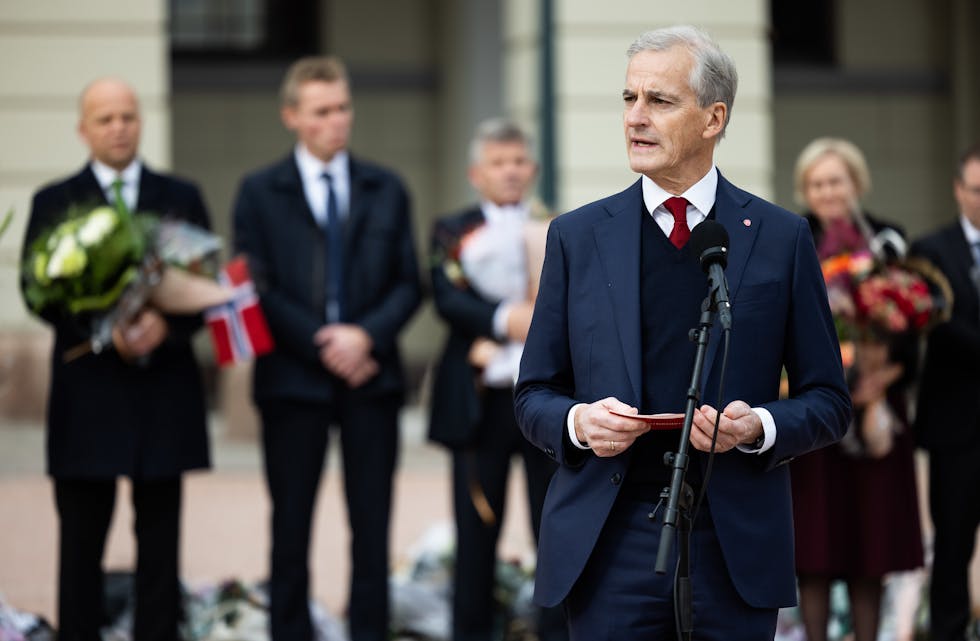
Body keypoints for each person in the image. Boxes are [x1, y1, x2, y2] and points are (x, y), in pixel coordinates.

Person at [513, 25, 851, 640]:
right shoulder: (576, 237)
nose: (635, 118)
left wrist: (758, 428)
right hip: (608, 543)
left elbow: (828, 401)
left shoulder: (779, 238)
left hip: (734, 544)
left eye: (659, 101)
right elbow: (533, 394)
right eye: (628, 99)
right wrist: (579, 424)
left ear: (712, 118)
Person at [232, 56, 422, 641]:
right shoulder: (260, 192)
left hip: (371, 377)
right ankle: (289, 631)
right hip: (292, 381)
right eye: (322, 111)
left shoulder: (386, 188)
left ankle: (368, 630)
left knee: (371, 524)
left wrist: (365, 336)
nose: (337, 121)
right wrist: (324, 344)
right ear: (292, 116)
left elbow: (409, 282)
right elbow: (254, 286)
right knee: (290, 523)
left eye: (342, 108)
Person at [19, 78, 211, 641]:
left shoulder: (181, 196)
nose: (118, 127)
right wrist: (104, 331)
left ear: (141, 122)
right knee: (80, 544)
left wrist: (165, 327)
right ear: (83, 130)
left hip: (164, 392)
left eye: (127, 116)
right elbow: (38, 294)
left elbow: (207, 286)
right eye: (104, 119)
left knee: (160, 546)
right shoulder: (55, 202)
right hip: (89, 395)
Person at [428, 118, 566, 641]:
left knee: (551, 527)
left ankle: (555, 630)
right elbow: (446, 297)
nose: (509, 172)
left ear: (531, 170)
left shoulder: (556, 224)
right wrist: (506, 322)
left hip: (544, 398)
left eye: (517, 162)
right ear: (476, 173)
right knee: (475, 530)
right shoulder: (451, 230)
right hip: (479, 398)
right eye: (497, 163)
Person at [788, 137, 924, 641]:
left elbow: (911, 327)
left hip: (877, 406)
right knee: (816, 550)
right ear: (806, 189)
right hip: (816, 412)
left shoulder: (888, 239)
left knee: (872, 548)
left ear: (856, 184)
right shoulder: (793, 236)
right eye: (818, 183)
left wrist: (879, 379)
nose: (828, 192)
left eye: (836, 181)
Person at [910, 141, 980, 641]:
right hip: (958, 428)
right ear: (959, 190)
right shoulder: (931, 251)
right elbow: (937, 322)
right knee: (952, 547)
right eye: (977, 190)